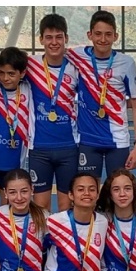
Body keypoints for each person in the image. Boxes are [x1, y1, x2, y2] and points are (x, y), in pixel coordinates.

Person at [67, 10, 136, 179]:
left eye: (108, 34)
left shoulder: (127, 63)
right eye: (98, 34)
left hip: (118, 140)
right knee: (87, 190)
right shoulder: (76, 55)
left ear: (116, 36)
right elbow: (49, 57)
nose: (103, 39)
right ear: (89, 35)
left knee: (118, 189)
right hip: (87, 140)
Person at [26, 14, 80, 213]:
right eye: (49, 37)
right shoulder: (30, 65)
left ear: (66, 38)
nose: (54, 42)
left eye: (59, 37)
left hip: (69, 147)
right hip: (39, 148)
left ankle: (63, 236)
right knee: (41, 208)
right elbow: (3, 69)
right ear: (41, 39)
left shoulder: (76, 68)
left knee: (67, 207)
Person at [0, 47, 34, 211]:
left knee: (8, 208)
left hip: (14, 159)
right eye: (2, 72)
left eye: (11, 74)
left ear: (22, 73)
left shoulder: (28, 88)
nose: (5, 78)